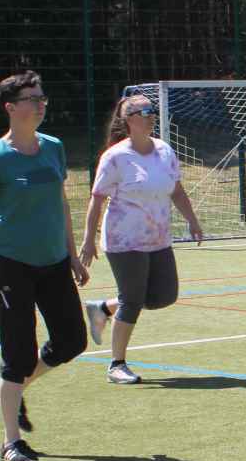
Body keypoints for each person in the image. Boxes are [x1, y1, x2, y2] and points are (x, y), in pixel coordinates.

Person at [0, 71, 89, 461]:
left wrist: (73, 255)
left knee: (72, 340)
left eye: (42, 98)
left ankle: (9, 390)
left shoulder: (54, 147)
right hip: (13, 267)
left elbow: (61, 204)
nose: (40, 104)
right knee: (18, 353)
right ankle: (11, 443)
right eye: (32, 99)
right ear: (10, 107)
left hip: (54, 262)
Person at [79, 93, 204, 384]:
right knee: (133, 299)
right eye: (145, 112)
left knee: (164, 296)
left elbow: (177, 191)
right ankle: (116, 365)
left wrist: (193, 220)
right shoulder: (115, 157)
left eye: (152, 111)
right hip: (124, 240)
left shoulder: (164, 151)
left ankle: (103, 308)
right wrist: (87, 239)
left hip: (158, 238)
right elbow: (97, 199)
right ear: (129, 119)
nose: (151, 116)